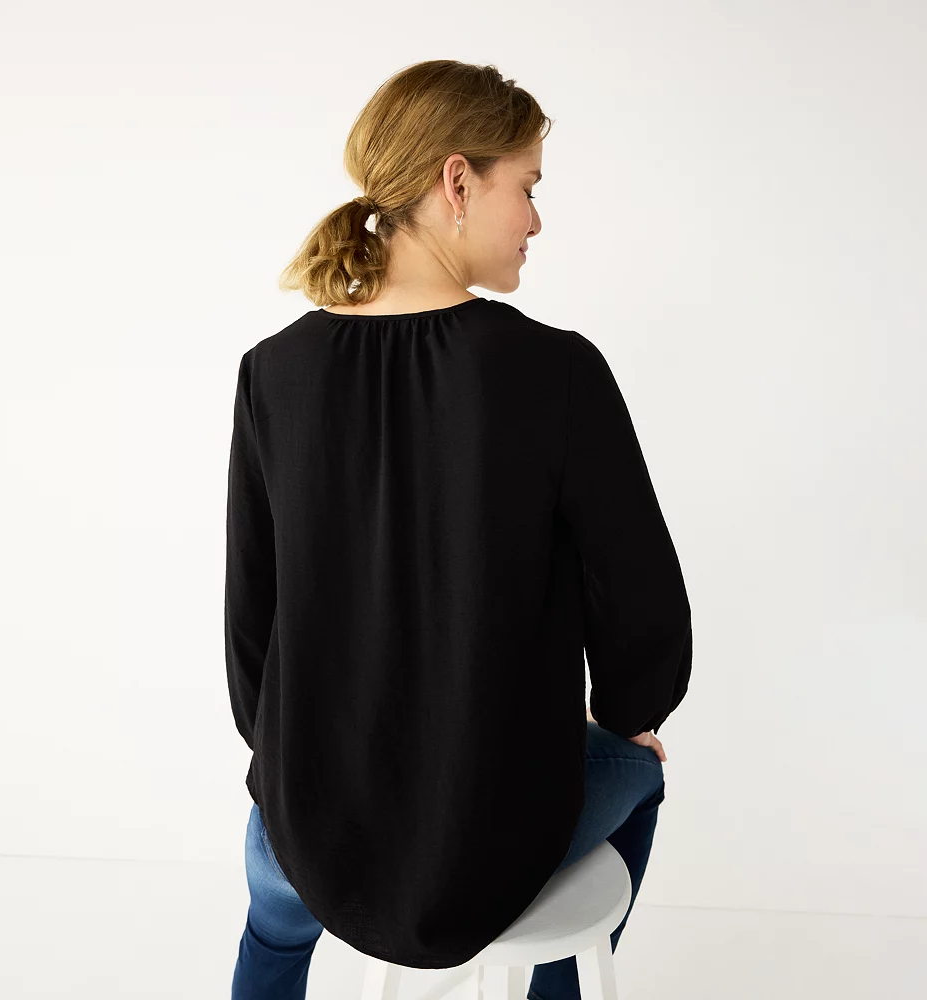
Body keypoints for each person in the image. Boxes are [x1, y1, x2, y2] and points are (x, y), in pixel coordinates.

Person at [226, 59, 692, 1000]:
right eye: (528, 187)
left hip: (308, 834)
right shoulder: (556, 373)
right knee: (639, 773)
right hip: (490, 848)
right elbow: (641, 609)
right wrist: (628, 717)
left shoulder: (272, 372)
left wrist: (294, 769)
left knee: (272, 928)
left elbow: (252, 628)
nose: (535, 220)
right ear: (457, 182)